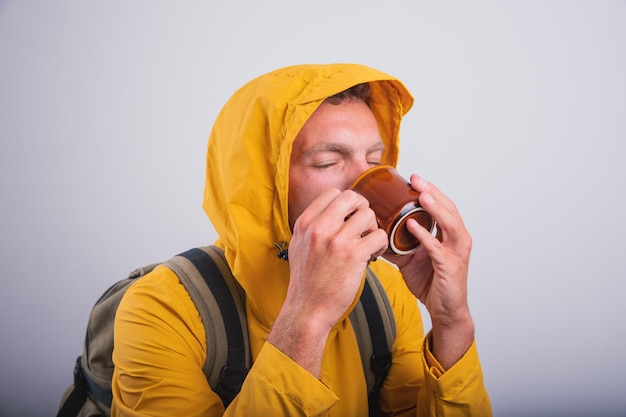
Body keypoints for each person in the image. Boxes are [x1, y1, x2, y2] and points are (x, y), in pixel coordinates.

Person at [111, 63, 492, 416]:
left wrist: (451, 321)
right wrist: (308, 317)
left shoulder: (387, 293)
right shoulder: (161, 310)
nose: (362, 185)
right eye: (327, 162)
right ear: (265, 183)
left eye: (375, 162)